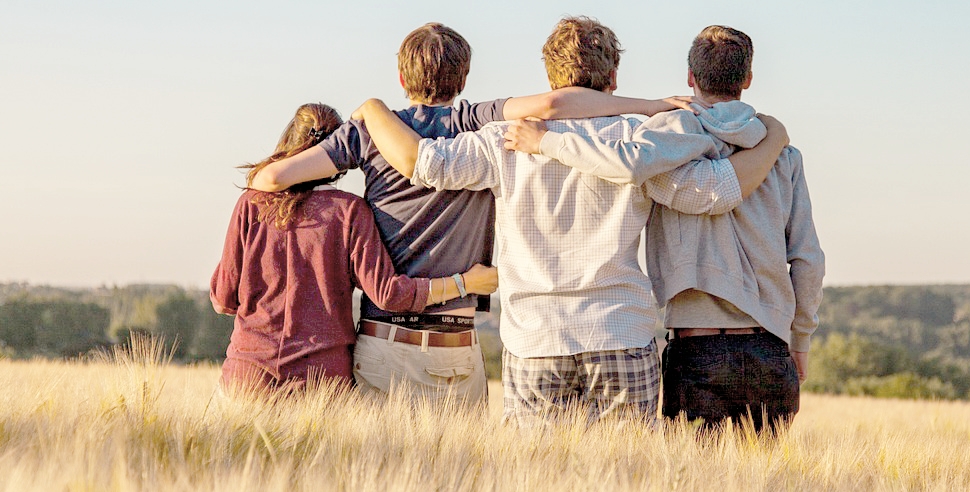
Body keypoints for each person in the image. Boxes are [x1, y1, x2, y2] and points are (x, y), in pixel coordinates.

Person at [354, 17, 790, 426]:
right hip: (619, 330)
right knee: (627, 481)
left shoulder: (502, 140)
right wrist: (773, 140)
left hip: (535, 338)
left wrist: (373, 109)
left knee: (538, 483)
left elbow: (425, 164)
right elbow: (712, 193)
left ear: (550, 78)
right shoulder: (638, 140)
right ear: (613, 80)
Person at [247, 22, 692, 404]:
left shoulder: (369, 131)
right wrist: (648, 106)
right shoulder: (475, 121)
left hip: (386, 340)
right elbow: (556, 105)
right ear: (463, 77)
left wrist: (366, 115)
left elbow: (270, 181)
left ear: (401, 76)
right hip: (458, 344)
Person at [505, 25, 824, 434]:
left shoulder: (665, 140)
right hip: (770, 348)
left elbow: (624, 163)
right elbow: (809, 260)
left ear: (690, 78)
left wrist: (547, 141)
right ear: (747, 80)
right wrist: (800, 340)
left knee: (689, 489)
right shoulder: (783, 154)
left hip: (697, 347)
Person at [210, 102, 498, 395]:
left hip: (247, 375)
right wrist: (466, 283)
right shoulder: (350, 211)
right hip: (322, 382)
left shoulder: (251, 203)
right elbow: (388, 294)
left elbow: (224, 299)